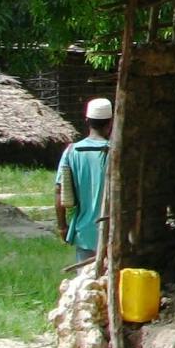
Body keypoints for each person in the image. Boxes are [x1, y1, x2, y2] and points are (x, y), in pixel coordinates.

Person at [55, 97, 113, 260]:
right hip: (113, 231)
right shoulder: (116, 153)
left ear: (87, 120)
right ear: (110, 123)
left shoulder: (72, 152)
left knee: (86, 282)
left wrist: (62, 226)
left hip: (84, 231)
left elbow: (59, 191)